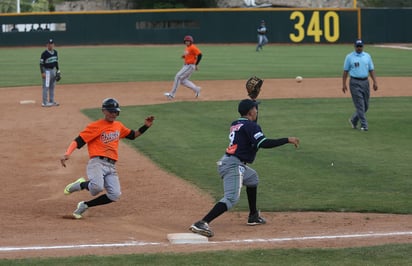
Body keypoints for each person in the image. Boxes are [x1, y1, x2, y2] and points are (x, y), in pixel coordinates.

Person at [189, 99, 300, 237]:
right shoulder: (252, 126)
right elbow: (263, 143)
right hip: (233, 165)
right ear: (250, 112)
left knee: (252, 178)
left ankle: (253, 216)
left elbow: (249, 134)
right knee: (231, 199)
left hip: (229, 161)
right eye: (255, 108)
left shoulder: (236, 123)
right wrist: (287, 140)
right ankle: (202, 223)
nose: (257, 111)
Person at [60, 98, 155, 219]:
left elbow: (133, 135)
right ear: (103, 111)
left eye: (115, 112)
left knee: (115, 195)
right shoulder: (95, 126)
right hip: (97, 162)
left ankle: (85, 205)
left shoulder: (118, 126)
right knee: (96, 188)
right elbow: (79, 140)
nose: (113, 114)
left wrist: (145, 126)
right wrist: (67, 153)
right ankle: (81, 184)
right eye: (110, 111)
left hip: (111, 166)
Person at [342, 39, 378, 131]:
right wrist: (344, 84)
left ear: (363, 46)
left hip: (365, 82)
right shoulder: (349, 57)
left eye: (360, 46)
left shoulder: (367, 56)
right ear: (354, 47)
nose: (359, 48)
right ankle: (364, 125)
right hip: (354, 82)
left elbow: (371, 69)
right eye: (357, 46)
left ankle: (353, 120)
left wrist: (375, 82)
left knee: (365, 106)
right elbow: (345, 71)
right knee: (360, 105)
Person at [164, 35, 202, 100]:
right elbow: (191, 55)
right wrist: (184, 56)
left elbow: (200, 55)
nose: (187, 42)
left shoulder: (193, 47)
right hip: (186, 66)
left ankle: (171, 95)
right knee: (183, 80)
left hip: (190, 66)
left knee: (177, 77)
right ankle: (196, 89)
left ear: (191, 41)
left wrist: (196, 64)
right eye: (186, 41)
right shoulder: (187, 48)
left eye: (188, 41)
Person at [39, 39, 60, 107]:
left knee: (52, 87)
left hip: (53, 71)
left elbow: (56, 62)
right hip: (47, 71)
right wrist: (42, 72)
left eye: (52, 44)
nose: (51, 45)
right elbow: (41, 64)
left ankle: (51, 101)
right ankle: (44, 102)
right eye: (49, 44)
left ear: (53, 45)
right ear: (47, 45)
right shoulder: (44, 53)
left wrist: (58, 70)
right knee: (46, 87)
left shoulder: (56, 52)